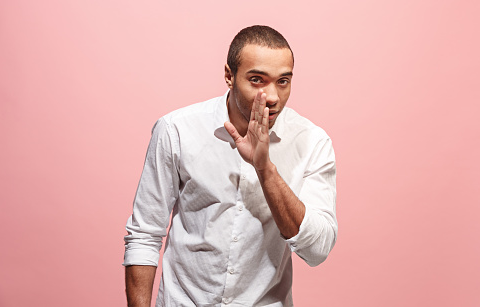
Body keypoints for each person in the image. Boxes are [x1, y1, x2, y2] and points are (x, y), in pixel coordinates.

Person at [123, 25, 338, 307]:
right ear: (229, 76)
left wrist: (264, 169)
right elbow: (144, 234)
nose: (272, 96)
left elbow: (317, 250)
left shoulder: (312, 142)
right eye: (257, 80)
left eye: (283, 81)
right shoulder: (176, 130)